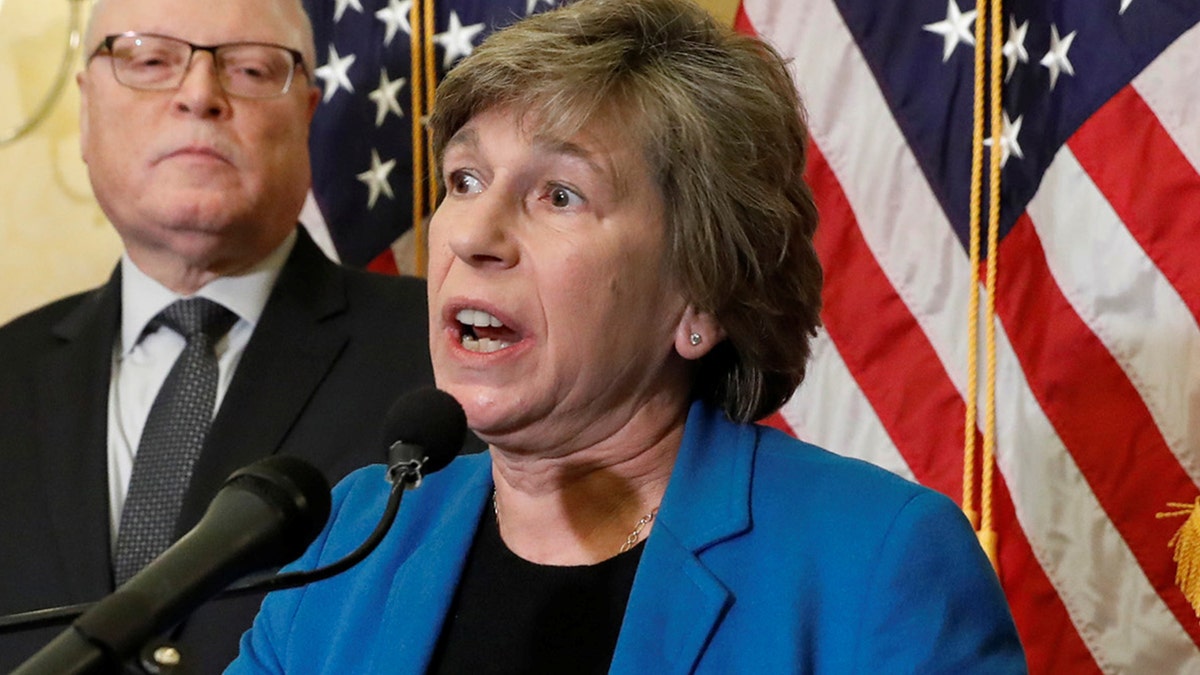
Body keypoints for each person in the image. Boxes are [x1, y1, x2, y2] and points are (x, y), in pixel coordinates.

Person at [230, 0, 1028, 672]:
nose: (474, 232)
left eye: (561, 194)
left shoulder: (873, 562)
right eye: (466, 179)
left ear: (701, 301)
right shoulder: (356, 535)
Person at [0, 0, 436, 671]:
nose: (200, 95)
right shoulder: (8, 369)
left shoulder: (442, 360)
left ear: (308, 115)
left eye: (253, 69)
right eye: (149, 60)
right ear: (86, 109)